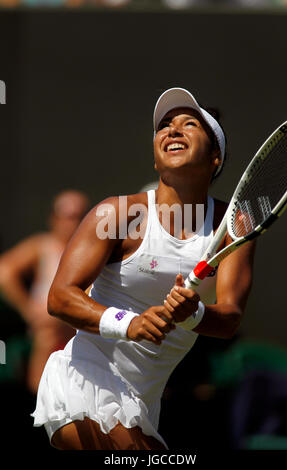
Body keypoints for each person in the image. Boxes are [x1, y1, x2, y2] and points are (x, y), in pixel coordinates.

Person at [31, 88, 256, 450]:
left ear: (216, 157)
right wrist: (129, 323)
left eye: (190, 124)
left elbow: (229, 318)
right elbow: (59, 298)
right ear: (155, 159)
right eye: (165, 126)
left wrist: (192, 313)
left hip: (143, 407)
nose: (173, 130)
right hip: (83, 383)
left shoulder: (233, 226)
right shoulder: (115, 214)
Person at [0, 190, 90, 394]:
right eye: (68, 216)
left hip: (79, 325)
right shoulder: (43, 245)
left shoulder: (90, 249)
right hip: (49, 326)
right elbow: (4, 271)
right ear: (54, 218)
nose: (74, 223)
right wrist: (28, 309)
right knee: (47, 333)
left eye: (80, 216)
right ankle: (38, 400)